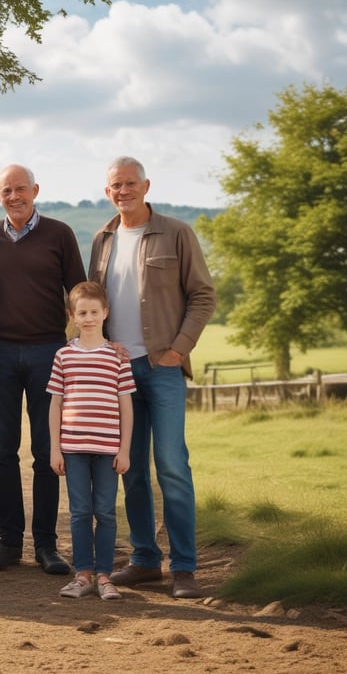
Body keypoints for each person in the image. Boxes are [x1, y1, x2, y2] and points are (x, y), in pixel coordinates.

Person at [88, 156, 216, 599]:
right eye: (115, 185)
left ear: (146, 186)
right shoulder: (102, 239)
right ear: (107, 192)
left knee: (172, 465)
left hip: (162, 368)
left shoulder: (177, 233)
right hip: (118, 373)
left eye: (130, 183)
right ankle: (145, 560)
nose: (123, 191)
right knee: (131, 468)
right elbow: (94, 301)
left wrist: (179, 349)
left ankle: (184, 568)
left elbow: (203, 295)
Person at [0, 163, 86, 575]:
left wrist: (83, 349)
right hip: (0, 354)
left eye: (20, 189)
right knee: (3, 451)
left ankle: (46, 544)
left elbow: (78, 293)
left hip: (48, 352)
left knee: (46, 451)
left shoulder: (60, 234)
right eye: (6, 191)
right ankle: (8, 543)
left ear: (35, 190)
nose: (14, 197)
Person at [47, 282, 135, 600]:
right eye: (82, 313)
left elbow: (126, 405)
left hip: (108, 449)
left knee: (106, 512)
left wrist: (124, 450)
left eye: (94, 312)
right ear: (72, 316)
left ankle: (105, 576)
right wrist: (55, 449)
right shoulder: (64, 356)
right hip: (73, 449)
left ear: (105, 313)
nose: (88, 318)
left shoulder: (117, 357)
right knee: (80, 512)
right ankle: (83, 574)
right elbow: (56, 404)